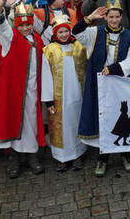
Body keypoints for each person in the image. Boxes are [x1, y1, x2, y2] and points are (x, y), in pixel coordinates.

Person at [73, 1, 130, 176]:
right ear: (106, 18)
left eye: (117, 17)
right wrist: (90, 19)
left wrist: (114, 69)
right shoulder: (95, 33)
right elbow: (76, 32)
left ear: (121, 17)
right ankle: (103, 158)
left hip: (120, 83)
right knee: (103, 118)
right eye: (111, 17)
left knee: (123, 117)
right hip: (99, 84)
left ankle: (126, 154)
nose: (114, 20)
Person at [0, 3, 50, 178]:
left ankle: (32, 156)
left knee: (31, 123)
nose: (25, 28)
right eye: (21, 25)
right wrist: (0, 11)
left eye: (28, 25)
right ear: (16, 25)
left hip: (33, 90)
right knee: (14, 122)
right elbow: (2, 28)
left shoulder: (38, 40)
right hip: (14, 92)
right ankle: (14, 158)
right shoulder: (11, 38)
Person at [41, 15, 88, 171]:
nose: (63, 35)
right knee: (60, 127)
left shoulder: (78, 47)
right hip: (58, 98)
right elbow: (46, 77)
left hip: (76, 96)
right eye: (60, 32)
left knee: (75, 124)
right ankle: (61, 158)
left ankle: (77, 155)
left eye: (66, 32)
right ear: (55, 33)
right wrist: (48, 101)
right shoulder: (49, 51)